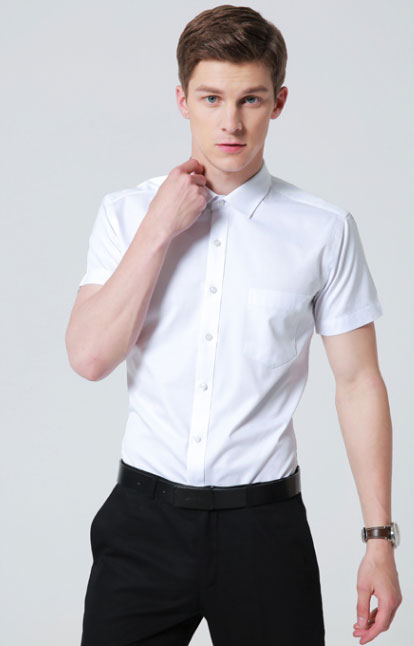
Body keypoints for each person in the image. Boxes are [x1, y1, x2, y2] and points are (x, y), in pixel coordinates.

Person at [65, 5, 402, 646]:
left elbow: (359, 384)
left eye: (250, 99)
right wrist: (160, 227)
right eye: (211, 98)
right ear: (182, 100)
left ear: (278, 102)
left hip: (265, 530)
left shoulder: (324, 230)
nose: (231, 122)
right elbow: (89, 357)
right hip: (142, 526)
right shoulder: (127, 214)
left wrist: (378, 541)